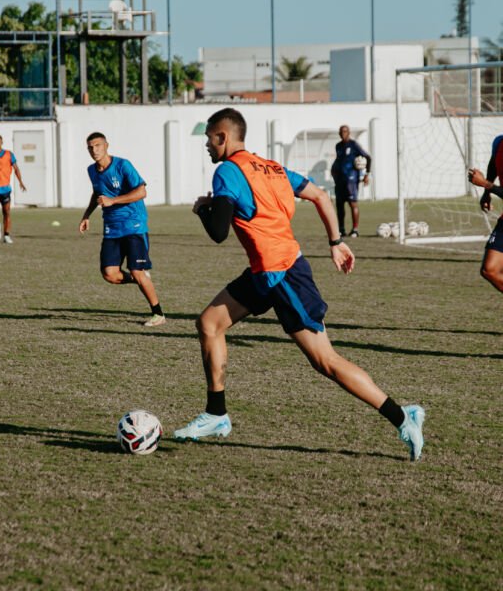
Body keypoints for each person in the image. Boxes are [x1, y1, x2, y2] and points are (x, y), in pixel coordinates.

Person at [174, 108, 425, 461]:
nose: (206, 145)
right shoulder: (272, 167)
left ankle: (403, 416)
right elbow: (321, 196)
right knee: (209, 323)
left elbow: (218, 232)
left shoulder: (227, 171)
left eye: (209, 139)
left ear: (223, 137)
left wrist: (204, 208)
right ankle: (216, 414)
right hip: (266, 272)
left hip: (284, 276)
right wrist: (336, 242)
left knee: (326, 361)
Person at [79, 132, 165, 327]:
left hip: (134, 224)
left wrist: (113, 200)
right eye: (90, 147)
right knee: (109, 274)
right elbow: (97, 193)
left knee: (136, 270)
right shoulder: (91, 170)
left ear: (107, 145)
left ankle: (158, 313)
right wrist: (86, 215)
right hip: (111, 227)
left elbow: (142, 191)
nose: (94, 150)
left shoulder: (122, 165)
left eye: (98, 145)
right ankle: (140, 279)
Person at [468, 133, 503, 292]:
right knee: (490, 270)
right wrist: (486, 192)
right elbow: (494, 164)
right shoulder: (499, 141)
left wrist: (485, 184)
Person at [331, 125, 371, 238]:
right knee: (339, 205)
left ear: (349, 133)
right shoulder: (338, 146)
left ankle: (355, 229)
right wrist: (334, 170)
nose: (343, 133)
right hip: (340, 180)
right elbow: (339, 160)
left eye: (345, 131)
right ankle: (341, 230)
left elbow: (368, 157)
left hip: (351, 179)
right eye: (341, 132)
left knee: (352, 203)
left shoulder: (353, 145)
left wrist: (366, 174)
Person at [0, 133, 26, 244]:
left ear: (1, 143)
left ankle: (6, 235)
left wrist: (21, 182)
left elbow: (16, 169)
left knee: (6, 212)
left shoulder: (9, 154)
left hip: (5, 188)